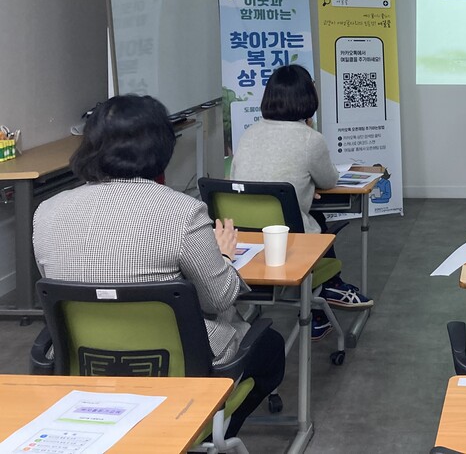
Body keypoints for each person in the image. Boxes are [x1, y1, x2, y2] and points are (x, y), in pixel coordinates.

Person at [33, 95, 285, 438]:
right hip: (178, 368)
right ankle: (209, 435)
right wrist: (224, 255)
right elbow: (219, 298)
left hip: (86, 367)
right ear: (163, 147)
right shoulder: (182, 212)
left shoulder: (46, 212)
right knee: (270, 348)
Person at [231, 64, 374, 334]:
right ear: (308, 97)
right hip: (289, 240)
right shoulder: (310, 139)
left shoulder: (249, 134)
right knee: (316, 219)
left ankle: (326, 291)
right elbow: (329, 181)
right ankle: (327, 291)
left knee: (313, 214)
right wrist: (309, 186)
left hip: (246, 242)